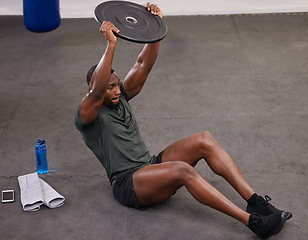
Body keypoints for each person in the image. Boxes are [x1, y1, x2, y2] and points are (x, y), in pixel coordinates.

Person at [74, 3, 292, 239]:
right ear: (94, 90)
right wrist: (110, 44)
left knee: (204, 140)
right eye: (109, 88)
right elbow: (96, 91)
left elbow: (142, 65)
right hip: (129, 184)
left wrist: (154, 27)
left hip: (150, 167)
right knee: (182, 170)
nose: (116, 91)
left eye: (116, 85)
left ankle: (255, 201)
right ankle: (253, 222)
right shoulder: (87, 115)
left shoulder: (122, 96)